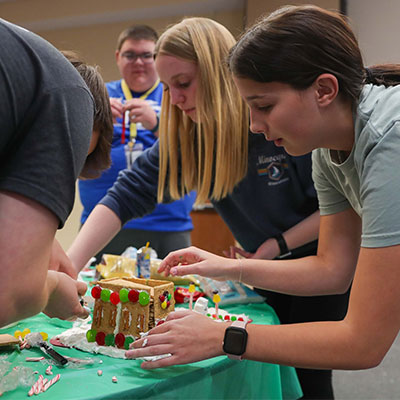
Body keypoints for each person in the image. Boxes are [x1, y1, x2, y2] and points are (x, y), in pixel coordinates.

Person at [61, 16, 349, 397]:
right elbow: (125, 194)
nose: (175, 100)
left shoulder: (282, 127)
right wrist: (70, 266)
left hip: (319, 260)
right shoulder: (193, 137)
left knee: (309, 376)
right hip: (264, 265)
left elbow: (338, 211)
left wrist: (279, 244)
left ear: (219, 75)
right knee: (264, 358)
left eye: (183, 84)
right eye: (166, 89)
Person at [126, 2, 400, 382]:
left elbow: (365, 342)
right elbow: (332, 270)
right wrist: (228, 267)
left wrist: (225, 336)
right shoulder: (325, 147)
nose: (254, 126)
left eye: (264, 106)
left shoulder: (390, 138)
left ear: (324, 89)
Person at [0, 18, 113, 327]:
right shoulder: (68, 97)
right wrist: (48, 289)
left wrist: (39, 242)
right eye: (69, 160)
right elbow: (8, 297)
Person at [78, 25, 196, 260]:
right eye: (130, 55)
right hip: (102, 222)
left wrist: (158, 125)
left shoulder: (176, 96)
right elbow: (74, 157)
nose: (138, 62)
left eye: (146, 56)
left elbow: (196, 147)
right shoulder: (97, 95)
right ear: (117, 57)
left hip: (167, 224)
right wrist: (95, 125)